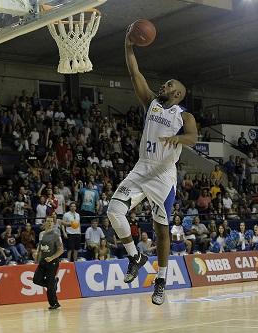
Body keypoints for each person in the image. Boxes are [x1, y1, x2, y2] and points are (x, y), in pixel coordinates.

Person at [106, 27, 197, 306]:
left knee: (161, 228)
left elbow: (193, 137)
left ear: (179, 93)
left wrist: (178, 137)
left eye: (169, 85)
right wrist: (128, 47)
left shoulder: (184, 114)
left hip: (163, 174)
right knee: (114, 211)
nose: (164, 87)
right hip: (142, 167)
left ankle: (161, 280)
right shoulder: (152, 103)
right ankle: (135, 256)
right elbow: (136, 74)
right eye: (164, 84)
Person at [34, 216, 64, 310]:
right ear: (45, 223)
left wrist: (51, 258)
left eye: (51, 221)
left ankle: (54, 304)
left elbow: (61, 250)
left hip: (52, 262)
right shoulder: (42, 234)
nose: (50, 222)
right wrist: (37, 254)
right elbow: (40, 247)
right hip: (43, 261)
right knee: (36, 280)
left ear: (53, 223)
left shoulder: (55, 235)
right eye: (48, 221)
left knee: (50, 287)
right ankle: (53, 283)